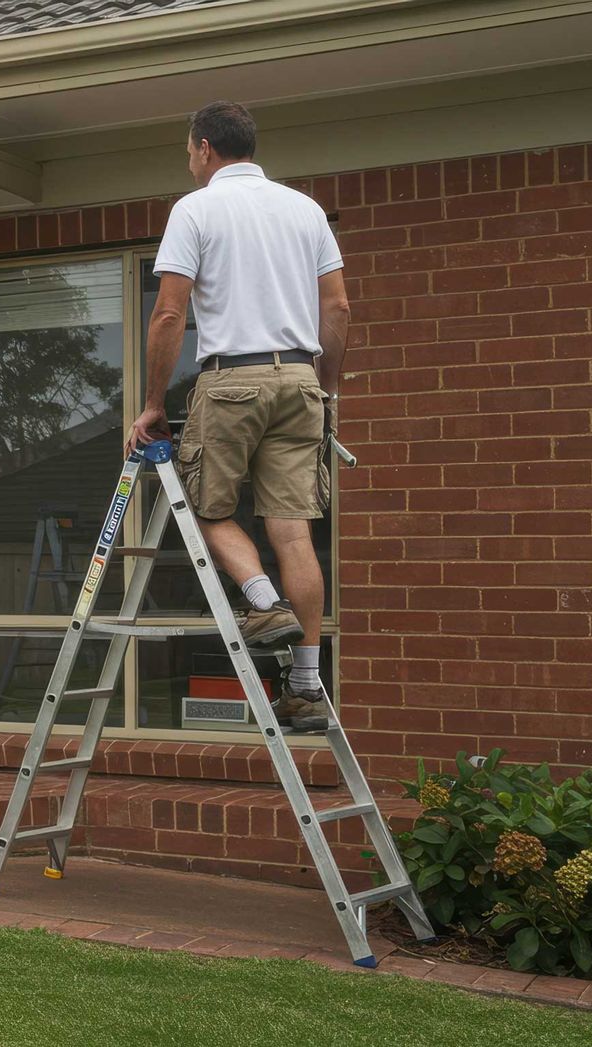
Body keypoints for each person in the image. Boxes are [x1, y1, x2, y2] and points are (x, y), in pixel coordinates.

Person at [126, 100, 349, 732]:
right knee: (293, 531)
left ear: (203, 149)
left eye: (188, 151)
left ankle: (262, 600)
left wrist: (151, 404)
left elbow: (169, 314)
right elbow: (337, 308)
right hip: (301, 379)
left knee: (207, 507)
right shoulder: (305, 210)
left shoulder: (195, 209)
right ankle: (304, 688)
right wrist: (323, 387)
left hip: (232, 383)